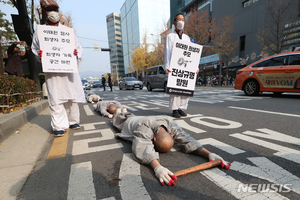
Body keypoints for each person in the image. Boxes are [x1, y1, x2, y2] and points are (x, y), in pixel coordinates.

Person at [113, 112, 231, 186]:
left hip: (146, 118)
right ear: (154, 139)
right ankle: (119, 112)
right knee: (118, 118)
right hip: (129, 123)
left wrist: (209, 154)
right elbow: (142, 147)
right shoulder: (143, 128)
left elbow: (186, 139)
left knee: (129, 114)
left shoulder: (170, 123)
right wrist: (157, 168)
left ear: (171, 136)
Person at [31, 0, 85, 137]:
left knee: (71, 96)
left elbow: (79, 48)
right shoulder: (40, 31)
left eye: (55, 10)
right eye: (49, 10)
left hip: (69, 70)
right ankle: (59, 125)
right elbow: (35, 48)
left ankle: (73, 120)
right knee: (56, 96)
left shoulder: (67, 31)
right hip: (53, 71)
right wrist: (40, 54)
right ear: (44, 13)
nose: (53, 13)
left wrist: (75, 53)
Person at [164, 13, 193, 118]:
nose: (181, 21)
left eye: (183, 19)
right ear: (174, 22)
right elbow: (167, 52)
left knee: (185, 88)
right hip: (174, 66)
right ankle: (175, 109)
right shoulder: (170, 37)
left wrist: (194, 67)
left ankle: (181, 108)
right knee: (175, 89)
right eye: (179, 19)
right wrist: (167, 66)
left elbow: (191, 54)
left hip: (185, 66)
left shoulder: (187, 38)